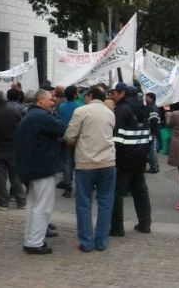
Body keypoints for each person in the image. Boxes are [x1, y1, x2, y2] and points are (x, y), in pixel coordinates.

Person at [64, 86, 117, 252]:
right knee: (105, 203)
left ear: (90, 95)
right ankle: (101, 241)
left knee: (84, 203)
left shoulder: (81, 111)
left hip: (86, 162)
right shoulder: (110, 113)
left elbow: (70, 136)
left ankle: (86, 242)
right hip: (107, 162)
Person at [15, 89, 65, 255]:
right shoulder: (42, 117)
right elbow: (61, 127)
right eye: (51, 99)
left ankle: (31, 239)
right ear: (41, 100)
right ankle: (35, 242)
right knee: (42, 207)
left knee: (33, 205)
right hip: (42, 167)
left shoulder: (30, 116)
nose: (53, 102)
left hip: (32, 167)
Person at [110, 82, 153, 236]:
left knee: (117, 193)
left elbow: (117, 137)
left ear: (122, 93)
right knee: (140, 190)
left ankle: (117, 227)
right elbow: (149, 135)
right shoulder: (143, 108)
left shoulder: (121, 110)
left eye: (114, 92)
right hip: (140, 156)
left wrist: (115, 156)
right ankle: (145, 223)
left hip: (124, 158)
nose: (112, 95)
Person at [57, 85, 81, 198]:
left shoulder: (61, 107)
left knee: (68, 162)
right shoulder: (81, 107)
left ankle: (67, 187)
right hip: (78, 138)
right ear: (75, 94)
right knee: (79, 163)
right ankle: (80, 187)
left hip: (65, 137)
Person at [144, 92, 162, 174]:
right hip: (153, 132)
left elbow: (154, 121)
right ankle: (154, 166)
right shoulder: (151, 107)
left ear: (152, 98)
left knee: (152, 150)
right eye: (146, 97)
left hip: (152, 132)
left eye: (148, 97)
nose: (146, 98)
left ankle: (154, 167)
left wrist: (150, 130)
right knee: (151, 150)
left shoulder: (152, 108)